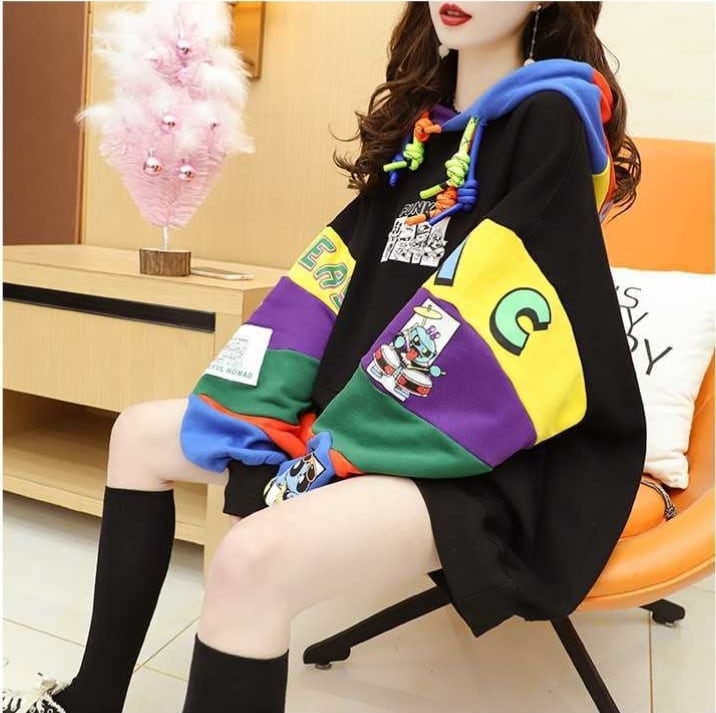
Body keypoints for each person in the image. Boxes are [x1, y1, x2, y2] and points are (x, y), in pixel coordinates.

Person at [3, 2, 646, 712]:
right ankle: (90, 700)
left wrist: (341, 442)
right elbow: (335, 282)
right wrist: (283, 406)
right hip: (373, 411)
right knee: (136, 435)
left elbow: (506, 320)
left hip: (491, 452)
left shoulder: (551, 119)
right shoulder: (423, 133)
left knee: (250, 559)